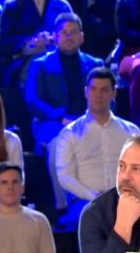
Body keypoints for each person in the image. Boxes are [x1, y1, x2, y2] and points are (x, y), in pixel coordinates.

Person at [54, 68, 140, 230]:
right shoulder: (70, 133)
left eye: (104, 90)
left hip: (124, 200)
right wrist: (93, 197)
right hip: (85, 202)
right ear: (86, 92)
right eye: (93, 89)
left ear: (114, 94)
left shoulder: (131, 131)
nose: (98, 95)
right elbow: (65, 176)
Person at [25, 12, 104, 152]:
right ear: (55, 37)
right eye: (64, 33)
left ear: (81, 37)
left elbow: (108, 97)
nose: (69, 37)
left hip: (89, 121)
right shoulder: (40, 64)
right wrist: (61, 117)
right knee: (61, 145)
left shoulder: (95, 64)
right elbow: (32, 100)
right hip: (52, 122)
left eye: (73, 32)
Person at [0, 0, 73, 87]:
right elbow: (4, 43)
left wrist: (54, 39)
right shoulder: (12, 6)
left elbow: (72, 35)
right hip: (25, 62)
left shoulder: (62, 6)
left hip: (58, 59)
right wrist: (30, 43)